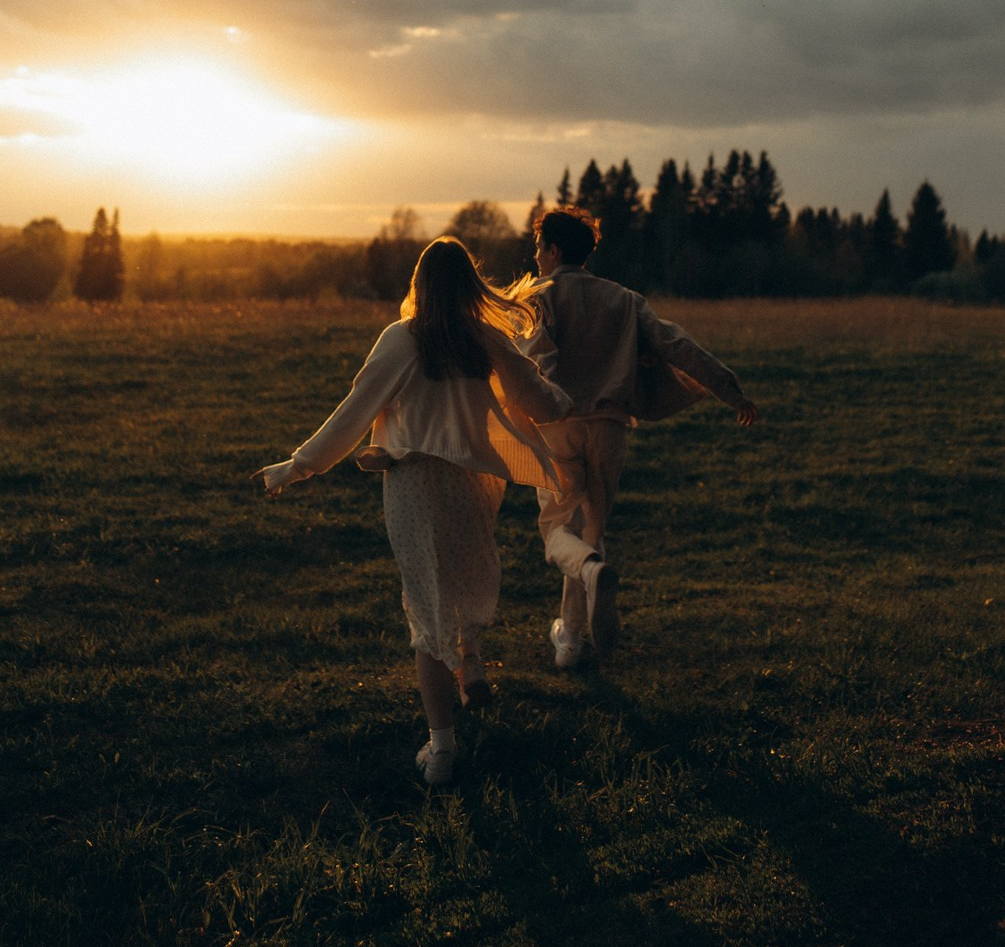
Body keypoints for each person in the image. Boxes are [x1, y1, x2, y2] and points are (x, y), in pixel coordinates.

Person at [253, 237, 572, 785]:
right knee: (465, 577)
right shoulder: (487, 340)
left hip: (414, 487)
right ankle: (470, 661)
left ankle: (442, 752)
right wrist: (569, 397)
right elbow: (544, 404)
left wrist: (295, 466)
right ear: (471, 285)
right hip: (472, 486)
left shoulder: (402, 340)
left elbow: (352, 414)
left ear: (419, 286)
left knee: (426, 606)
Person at [525, 206, 759, 669]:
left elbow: (536, 361)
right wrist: (729, 390)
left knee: (558, 531)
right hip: (610, 426)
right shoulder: (624, 299)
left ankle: (576, 624)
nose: (535, 256)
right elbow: (677, 344)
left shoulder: (539, 297)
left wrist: (537, 405)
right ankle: (570, 639)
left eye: (537, 247)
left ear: (553, 250)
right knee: (593, 530)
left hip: (560, 424)